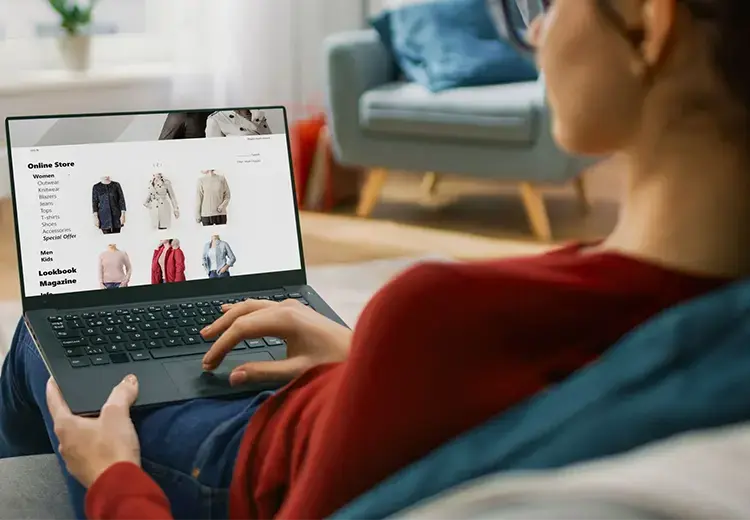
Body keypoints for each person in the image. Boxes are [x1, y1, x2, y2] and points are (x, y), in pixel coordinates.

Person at [2, 0, 750, 519]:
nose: (541, 29)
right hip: (325, 402)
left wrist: (113, 477)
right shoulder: (704, 316)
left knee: (44, 333)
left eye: (543, 4)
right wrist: (365, 361)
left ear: (650, 26)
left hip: (229, 471)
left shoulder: (446, 313)